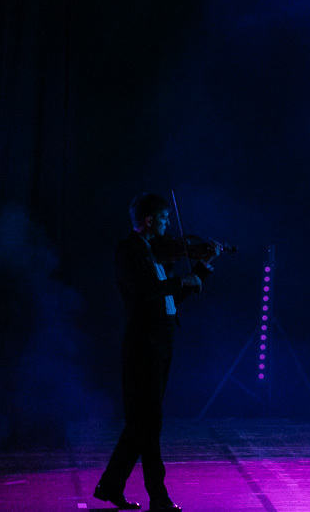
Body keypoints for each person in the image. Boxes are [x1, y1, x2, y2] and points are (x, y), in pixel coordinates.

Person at [95, 193, 221, 512]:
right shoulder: (128, 250)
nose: (168, 224)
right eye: (164, 218)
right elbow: (144, 293)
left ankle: (111, 486)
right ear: (149, 220)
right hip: (143, 344)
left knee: (142, 422)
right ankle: (158, 496)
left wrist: (201, 270)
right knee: (149, 420)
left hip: (162, 340)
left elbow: (168, 303)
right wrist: (182, 280)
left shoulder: (157, 254)